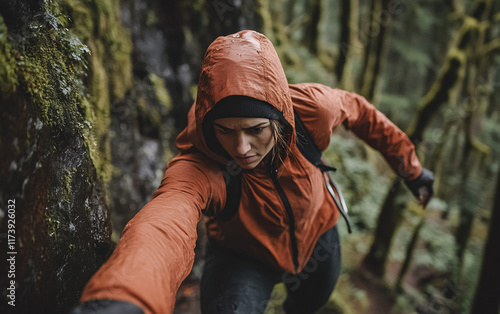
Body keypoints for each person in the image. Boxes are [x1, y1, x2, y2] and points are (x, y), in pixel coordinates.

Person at [70, 30, 434, 314]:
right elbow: (165, 221)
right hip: (242, 258)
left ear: (278, 119)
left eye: (255, 130)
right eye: (225, 131)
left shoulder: (310, 113)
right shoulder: (203, 162)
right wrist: (124, 297)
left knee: (308, 305)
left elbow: (362, 113)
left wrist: (411, 170)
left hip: (318, 234)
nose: (241, 148)